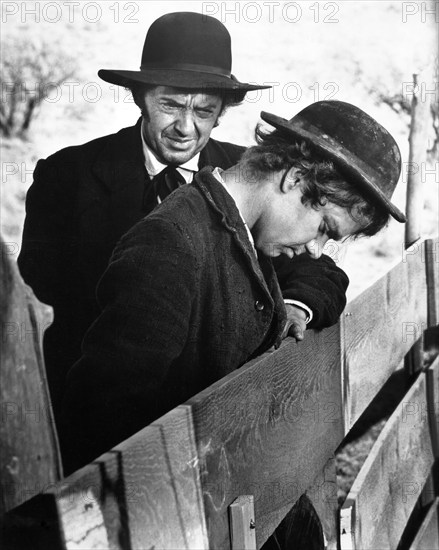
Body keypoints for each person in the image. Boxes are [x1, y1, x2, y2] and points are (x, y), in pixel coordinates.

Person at [18, 12, 349, 418]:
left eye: (204, 111)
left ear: (222, 111)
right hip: (100, 405)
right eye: (170, 105)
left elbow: (322, 271)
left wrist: (298, 304)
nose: (185, 127)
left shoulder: (245, 175)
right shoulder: (67, 176)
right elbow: (39, 309)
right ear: (141, 98)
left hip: (210, 412)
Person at [59, 100, 406, 476]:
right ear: (295, 178)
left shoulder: (254, 232)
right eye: (325, 227)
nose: (317, 249)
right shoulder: (170, 243)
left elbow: (323, 276)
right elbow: (104, 420)